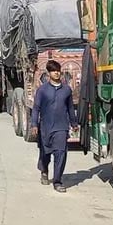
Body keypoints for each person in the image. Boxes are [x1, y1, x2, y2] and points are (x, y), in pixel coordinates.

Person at [31, 60, 79, 193]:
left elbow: (70, 108)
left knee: (61, 153)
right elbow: (36, 108)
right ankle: (44, 170)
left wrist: (74, 124)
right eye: (53, 71)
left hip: (61, 127)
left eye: (58, 70)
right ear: (49, 73)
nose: (56, 73)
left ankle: (57, 181)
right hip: (45, 128)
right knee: (45, 153)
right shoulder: (42, 90)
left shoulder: (66, 90)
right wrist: (34, 124)